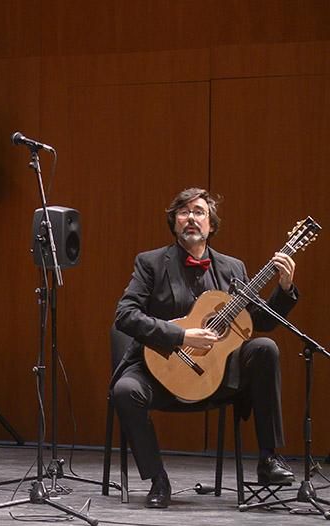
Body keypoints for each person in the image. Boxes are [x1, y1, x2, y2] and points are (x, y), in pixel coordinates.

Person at [111, 188, 296, 508]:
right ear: (174, 222)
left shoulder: (233, 269)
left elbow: (259, 322)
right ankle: (158, 477)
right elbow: (125, 316)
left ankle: (269, 459)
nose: (191, 218)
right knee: (125, 390)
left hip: (215, 376)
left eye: (199, 212)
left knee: (265, 347)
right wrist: (180, 336)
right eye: (183, 212)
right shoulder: (151, 263)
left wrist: (284, 288)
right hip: (159, 369)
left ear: (211, 224)